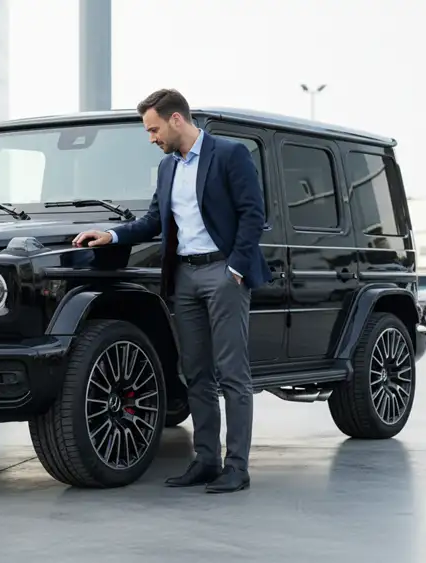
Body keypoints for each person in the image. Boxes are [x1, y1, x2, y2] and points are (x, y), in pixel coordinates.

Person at [72, 88, 271, 493]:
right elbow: (151, 221)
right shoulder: (168, 168)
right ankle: (206, 461)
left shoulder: (229, 155)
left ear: (176, 119)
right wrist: (109, 234)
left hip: (222, 273)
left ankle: (237, 467)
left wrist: (235, 268)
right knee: (195, 373)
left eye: (153, 129)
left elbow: (254, 213)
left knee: (233, 373)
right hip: (184, 277)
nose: (152, 138)